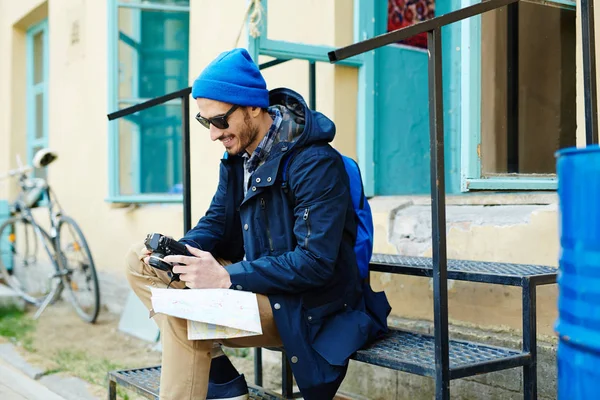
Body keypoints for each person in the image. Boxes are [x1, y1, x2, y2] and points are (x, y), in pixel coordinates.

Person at [125, 48, 391, 400]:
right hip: (255, 286)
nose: (213, 134)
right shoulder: (239, 158)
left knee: (181, 317)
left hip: (304, 306)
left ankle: (221, 385)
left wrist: (226, 277)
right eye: (205, 122)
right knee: (138, 261)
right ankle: (219, 376)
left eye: (219, 121)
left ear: (253, 107)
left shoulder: (315, 164)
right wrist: (180, 252)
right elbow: (216, 224)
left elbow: (315, 263)